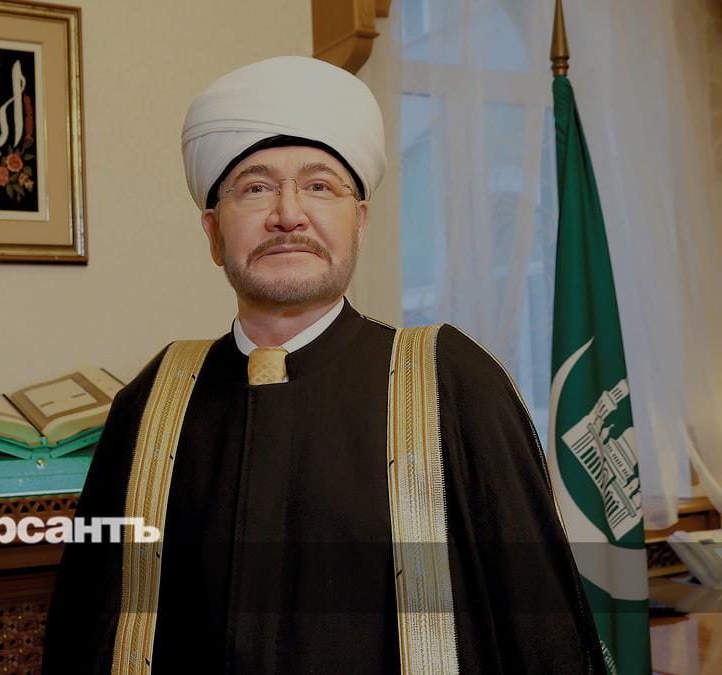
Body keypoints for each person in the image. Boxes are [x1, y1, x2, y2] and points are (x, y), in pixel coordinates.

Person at [42, 56, 605, 674]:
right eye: (255, 188)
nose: (288, 214)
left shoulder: (451, 384)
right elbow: (82, 634)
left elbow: (542, 635)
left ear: (359, 221)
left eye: (320, 186)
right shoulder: (153, 402)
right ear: (213, 232)